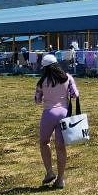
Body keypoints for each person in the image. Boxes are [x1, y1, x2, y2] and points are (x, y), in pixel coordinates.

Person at [35, 54, 80, 188]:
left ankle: (49, 172)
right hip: (64, 113)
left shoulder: (42, 81)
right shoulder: (67, 77)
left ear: (45, 68)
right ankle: (60, 179)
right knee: (60, 146)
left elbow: (37, 100)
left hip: (49, 113)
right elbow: (75, 94)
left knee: (44, 142)